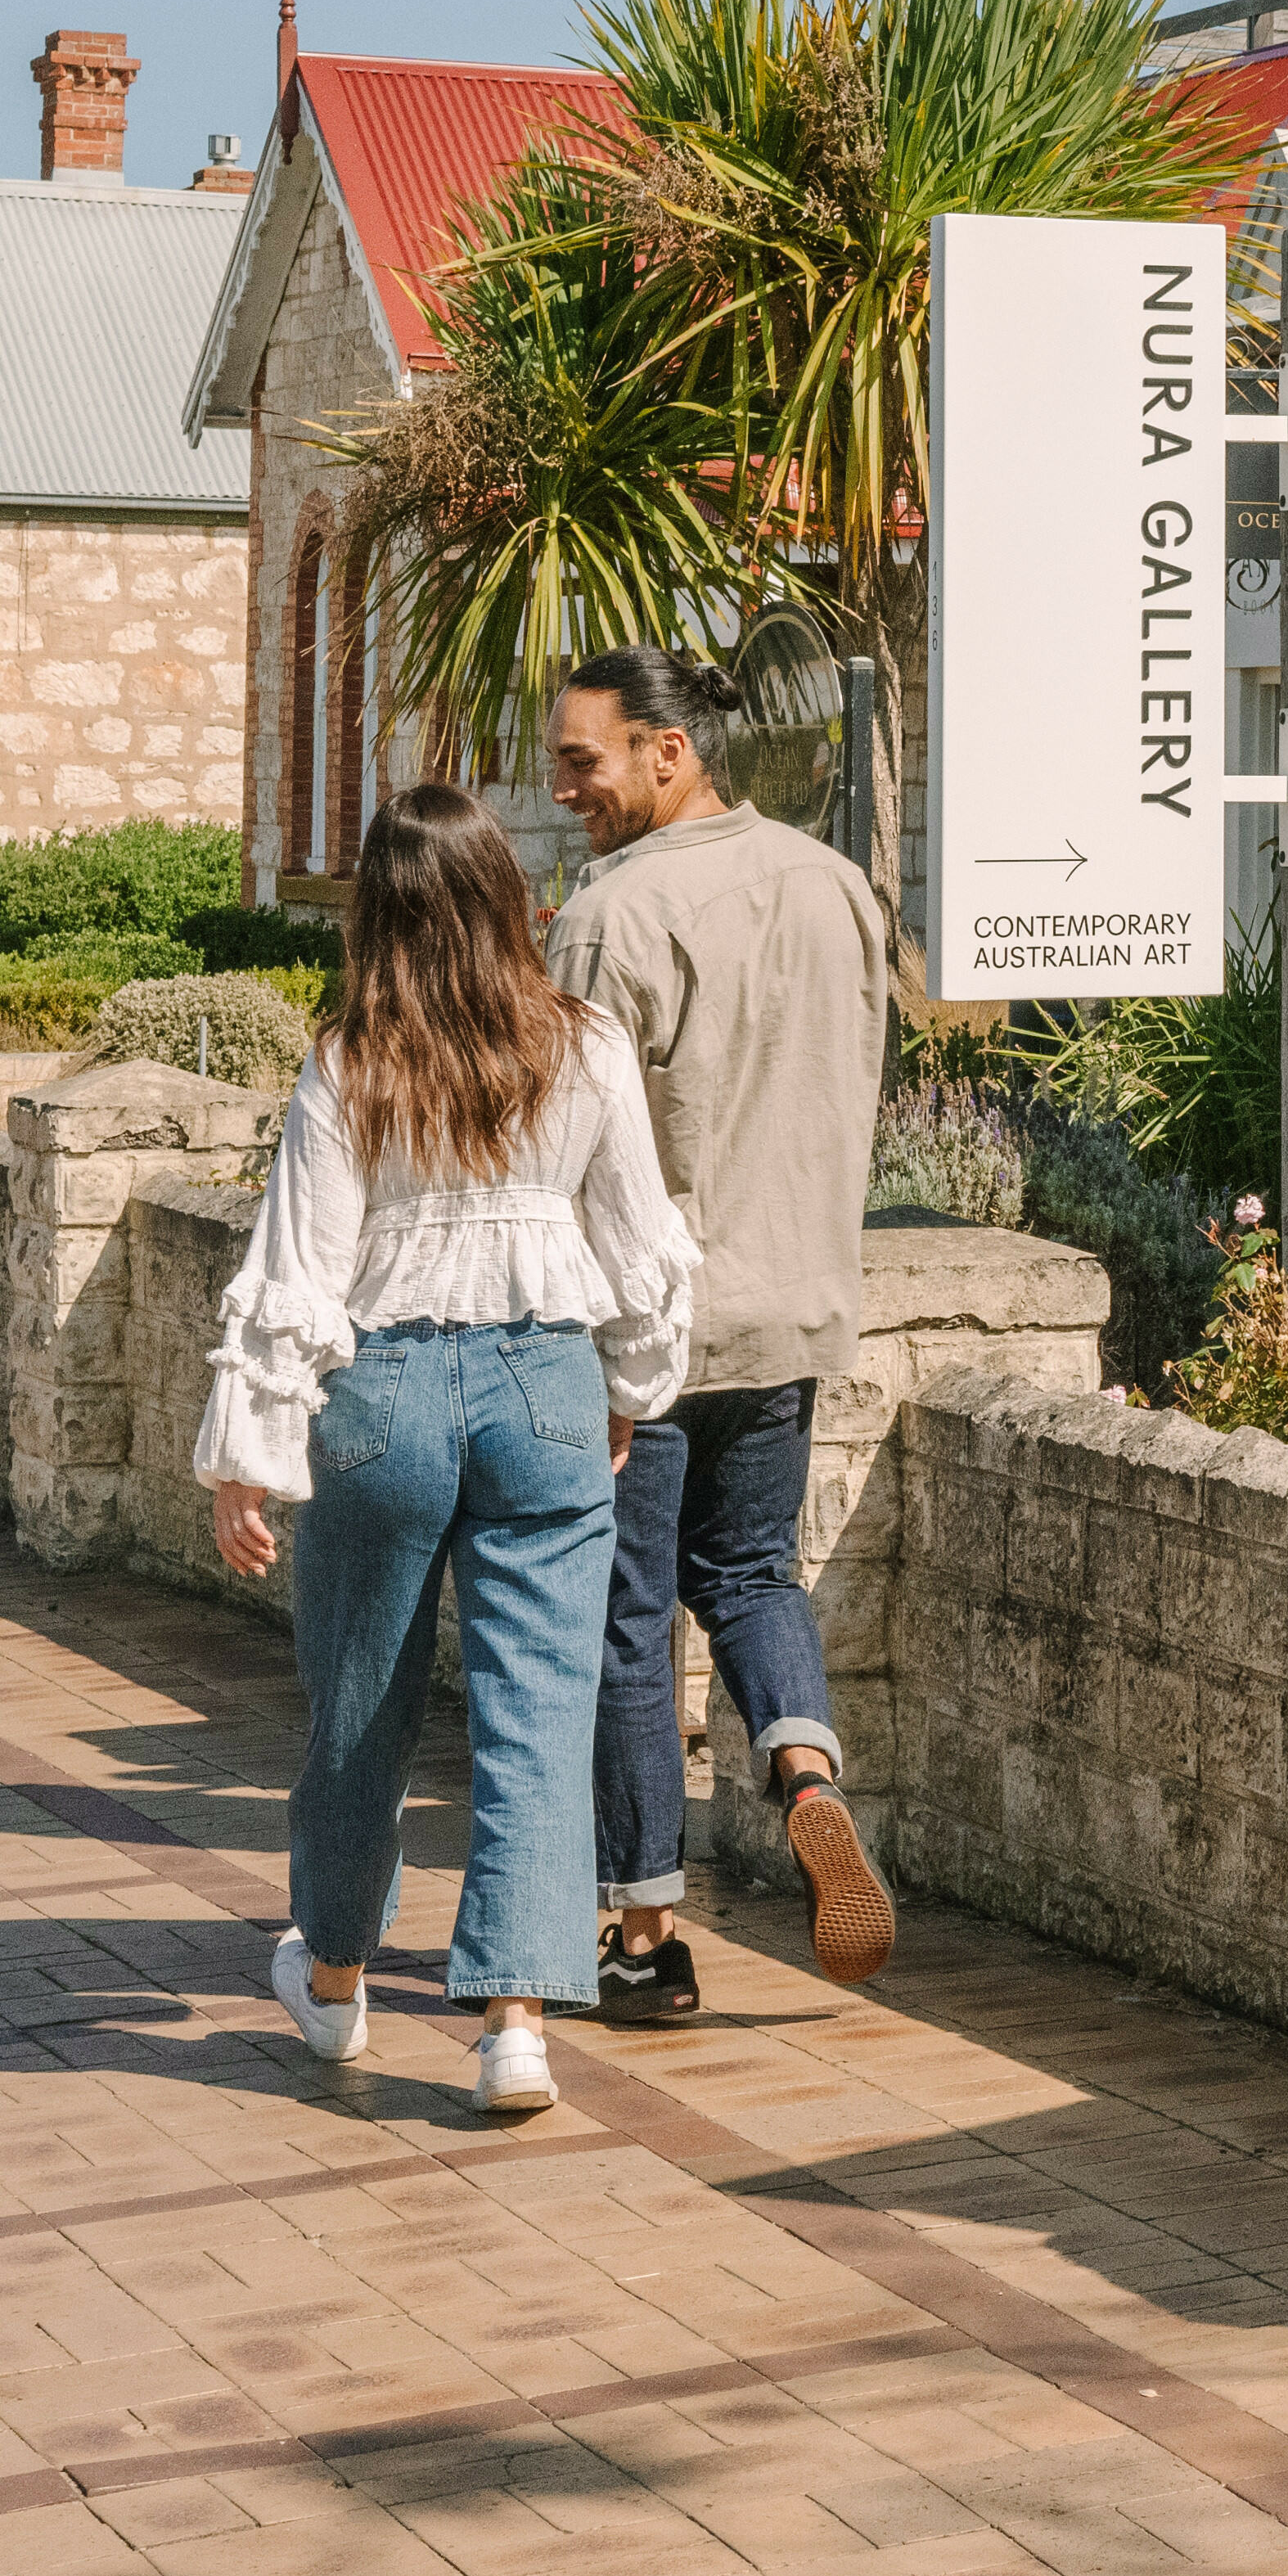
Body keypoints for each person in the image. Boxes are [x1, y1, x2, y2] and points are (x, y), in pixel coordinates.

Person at [199, 784, 695, 2115]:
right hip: (546, 1382)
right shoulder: (583, 1045)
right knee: (536, 1716)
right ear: (500, 898)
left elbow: (299, 1271)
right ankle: (515, 2025)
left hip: (387, 1389)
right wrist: (631, 1389)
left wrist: (246, 1450)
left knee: (361, 1709)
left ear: (377, 912)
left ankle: (340, 1985)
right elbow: (643, 1248)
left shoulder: (350, 1054)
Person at [544, 646, 900, 2013]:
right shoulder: (836, 884)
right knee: (754, 1573)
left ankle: (645, 1940)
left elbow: (566, 1145)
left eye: (585, 758)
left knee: (631, 1626)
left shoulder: (610, 916)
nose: (562, 784)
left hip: (645, 1326)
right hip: (791, 1304)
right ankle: (803, 1768)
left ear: (669, 748)